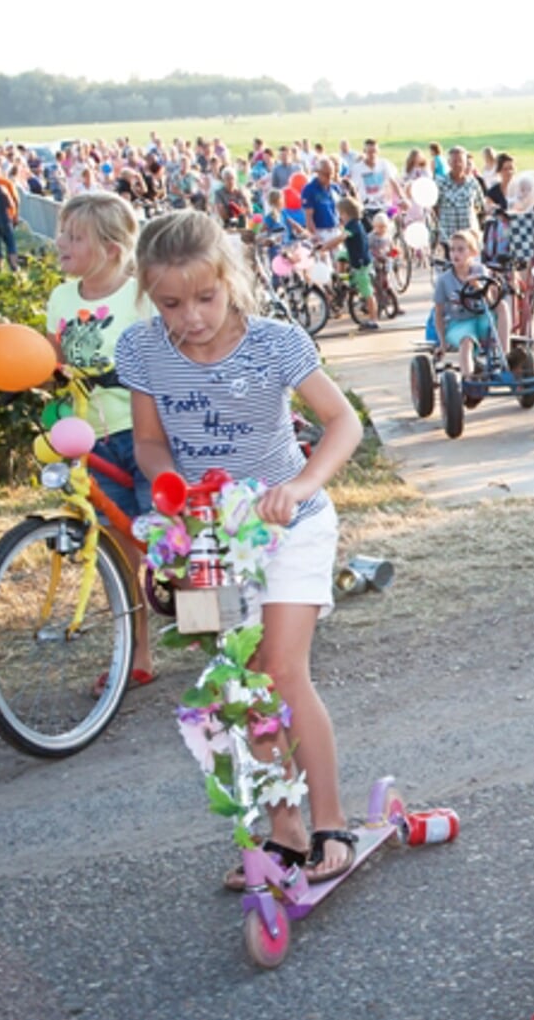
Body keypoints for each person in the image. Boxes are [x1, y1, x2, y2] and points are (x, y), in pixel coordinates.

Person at [116, 211, 363, 887]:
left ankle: (329, 820)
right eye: (170, 302)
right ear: (146, 291)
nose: (190, 316)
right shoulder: (141, 350)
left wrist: (302, 481)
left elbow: (343, 424)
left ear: (230, 280)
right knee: (237, 676)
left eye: (205, 298)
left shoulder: (276, 344)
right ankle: (283, 829)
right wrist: (174, 494)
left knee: (281, 668)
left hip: (292, 523)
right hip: (205, 534)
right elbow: (148, 441)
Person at [46, 192, 158, 686]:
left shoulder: (142, 298)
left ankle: (215, 634)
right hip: (89, 441)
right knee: (120, 552)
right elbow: (52, 363)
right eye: (62, 232)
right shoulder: (61, 299)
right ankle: (139, 655)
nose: (61, 242)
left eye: (75, 236)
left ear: (113, 248)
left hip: (145, 436)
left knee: (170, 541)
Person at [430, 228, 500, 372]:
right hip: (458, 323)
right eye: (452, 250)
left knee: (503, 306)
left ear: (472, 253)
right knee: (466, 341)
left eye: (461, 250)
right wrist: (442, 343)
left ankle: (505, 355)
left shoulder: (480, 271)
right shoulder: (444, 280)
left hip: (481, 318)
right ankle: (468, 380)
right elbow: (438, 313)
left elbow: (491, 303)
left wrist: (479, 286)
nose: (455, 254)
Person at [326, 196, 379, 329]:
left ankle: (373, 319)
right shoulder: (353, 224)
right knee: (341, 255)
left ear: (346, 213)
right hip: (354, 256)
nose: (340, 217)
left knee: (367, 292)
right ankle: (343, 279)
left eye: (340, 214)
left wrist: (326, 246)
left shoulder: (354, 226)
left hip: (361, 263)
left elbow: (340, 238)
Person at [300, 158, 340, 247]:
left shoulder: (335, 188)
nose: (329, 177)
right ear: (318, 173)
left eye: (331, 174)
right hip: (320, 231)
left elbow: (340, 211)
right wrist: (315, 236)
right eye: (326, 174)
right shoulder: (309, 190)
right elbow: (309, 216)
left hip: (335, 229)